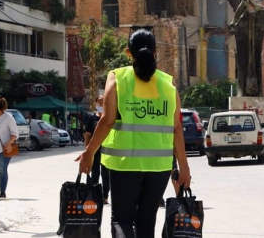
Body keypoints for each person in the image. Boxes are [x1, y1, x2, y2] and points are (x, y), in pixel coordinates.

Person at [77, 28, 191, 238]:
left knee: (122, 219)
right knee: (146, 221)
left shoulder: (117, 78)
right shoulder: (168, 83)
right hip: (159, 166)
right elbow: (176, 127)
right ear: (156, 51)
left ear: (128, 53)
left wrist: (89, 152)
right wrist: (184, 166)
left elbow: (107, 120)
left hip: (124, 162)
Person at [85, 95, 110, 204]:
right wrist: (87, 149)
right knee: (94, 173)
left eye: (103, 102)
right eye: (99, 102)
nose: (100, 104)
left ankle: (105, 196)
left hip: (107, 150)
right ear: (95, 104)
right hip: (95, 149)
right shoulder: (92, 118)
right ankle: (93, 194)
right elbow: (87, 134)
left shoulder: (109, 117)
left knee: (106, 174)